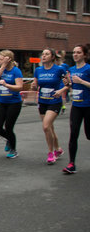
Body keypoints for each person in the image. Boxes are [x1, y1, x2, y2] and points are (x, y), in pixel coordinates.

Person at [31, 48, 67, 165]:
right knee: (50, 128)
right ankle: (58, 149)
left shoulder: (59, 69)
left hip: (54, 101)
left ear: (52, 57)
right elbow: (36, 86)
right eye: (43, 54)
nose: (44, 56)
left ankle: (50, 153)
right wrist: (33, 86)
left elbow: (69, 84)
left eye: (47, 54)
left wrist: (61, 91)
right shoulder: (38, 70)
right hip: (43, 102)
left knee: (46, 126)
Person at [62, 44, 90, 174]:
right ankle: (71, 163)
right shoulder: (71, 69)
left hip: (88, 106)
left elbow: (81, 83)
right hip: (76, 106)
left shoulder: (88, 68)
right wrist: (67, 84)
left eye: (78, 52)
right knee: (73, 134)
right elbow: (71, 85)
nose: (75, 54)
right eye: (73, 52)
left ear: (84, 55)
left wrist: (81, 81)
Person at [0, 50, 24, 159]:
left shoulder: (16, 71)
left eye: (1, 59)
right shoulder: (3, 69)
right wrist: (3, 66)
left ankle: (13, 150)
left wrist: (7, 85)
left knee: (9, 127)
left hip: (14, 103)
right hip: (2, 102)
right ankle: (9, 139)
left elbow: (20, 87)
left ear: (8, 59)